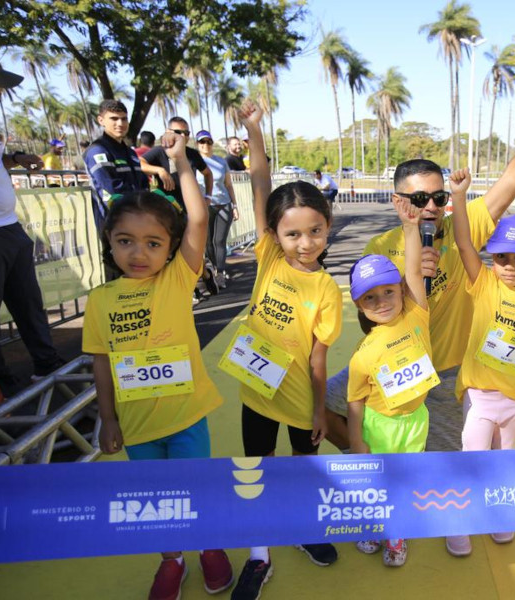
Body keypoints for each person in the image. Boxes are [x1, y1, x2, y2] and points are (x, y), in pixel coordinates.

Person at [324, 75, 515, 454]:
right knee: (322, 406)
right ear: (397, 201)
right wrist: (410, 285)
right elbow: (367, 316)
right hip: (393, 365)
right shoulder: (380, 246)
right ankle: (379, 470)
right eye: (418, 198)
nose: (429, 207)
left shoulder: (465, 225)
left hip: (445, 374)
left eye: (438, 197)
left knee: (445, 467)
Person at [82, 130, 233, 600]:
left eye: (152, 243)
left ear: (169, 247)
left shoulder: (177, 280)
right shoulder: (100, 300)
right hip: (137, 427)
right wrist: (107, 419)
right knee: (155, 502)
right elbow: (102, 365)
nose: (138, 253)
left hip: (186, 418)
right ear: (109, 242)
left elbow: (199, 220)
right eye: (125, 241)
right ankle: (172, 560)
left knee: (196, 491)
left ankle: (208, 545)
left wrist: (181, 164)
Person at [225, 101, 343, 600]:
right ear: (274, 234)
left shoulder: (328, 290)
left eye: (315, 231)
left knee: (300, 468)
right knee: (256, 467)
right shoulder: (269, 256)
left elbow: (318, 358)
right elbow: (259, 181)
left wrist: (318, 409)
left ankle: (305, 527)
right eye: (293, 233)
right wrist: (254, 129)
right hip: (256, 390)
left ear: (327, 227)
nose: (304, 242)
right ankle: (259, 553)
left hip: (298, 400)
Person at [446, 168, 515, 557]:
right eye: (501, 257)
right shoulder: (485, 284)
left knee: (504, 464)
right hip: (480, 397)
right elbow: (462, 242)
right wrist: (458, 196)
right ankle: (459, 521)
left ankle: (497, 514)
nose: (508, 265)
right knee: (474, 460)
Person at [347, 199, 434, 569]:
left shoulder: (417, 313)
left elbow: (414, 270)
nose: (381, 301)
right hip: (378, 425)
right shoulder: (362, 355)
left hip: (415, 421)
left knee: (405, 479)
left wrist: (411, 227)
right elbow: (354, 402)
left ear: (401, 290)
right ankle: (371, 523)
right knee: (375, 481)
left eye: (387, 291)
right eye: (370, 297)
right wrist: (356, 441)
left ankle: (396, 531)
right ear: (360, 306)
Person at [0, 61, 66, 397]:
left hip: (10, 230)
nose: (0, 92)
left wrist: (17, 157)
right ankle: (2, 385)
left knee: (29, 303)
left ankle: (47, 363)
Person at [84, 99, 149, 232]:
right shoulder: (97, 151)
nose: (120, 123)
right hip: (113, 221)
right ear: (101, 120)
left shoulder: (130, 152)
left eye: (124, 119)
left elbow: (143, 183)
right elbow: (111, 187)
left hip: (137, 218)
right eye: (114, 118)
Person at [195, 130, 238, 285]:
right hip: (205, 206)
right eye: (202, 142)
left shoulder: (221, 162)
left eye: (208, 141)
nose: (206, 145)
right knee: (207, 242)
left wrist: (235, 205)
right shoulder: (194, 163)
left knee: (219, 240)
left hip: (224, 204)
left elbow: (228, 185)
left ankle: (220, 272)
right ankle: (213, 269)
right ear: (197, 144)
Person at [140, 117, 213, 208]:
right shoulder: (160, 151)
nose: (182, 136)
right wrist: (159, 170)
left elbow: (208, 174)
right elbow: (139, 163)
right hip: (165, 208)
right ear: (168, 132)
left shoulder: (193, 154)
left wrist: (208, 196)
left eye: (186, 133)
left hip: (190, 208)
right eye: (178, 132)